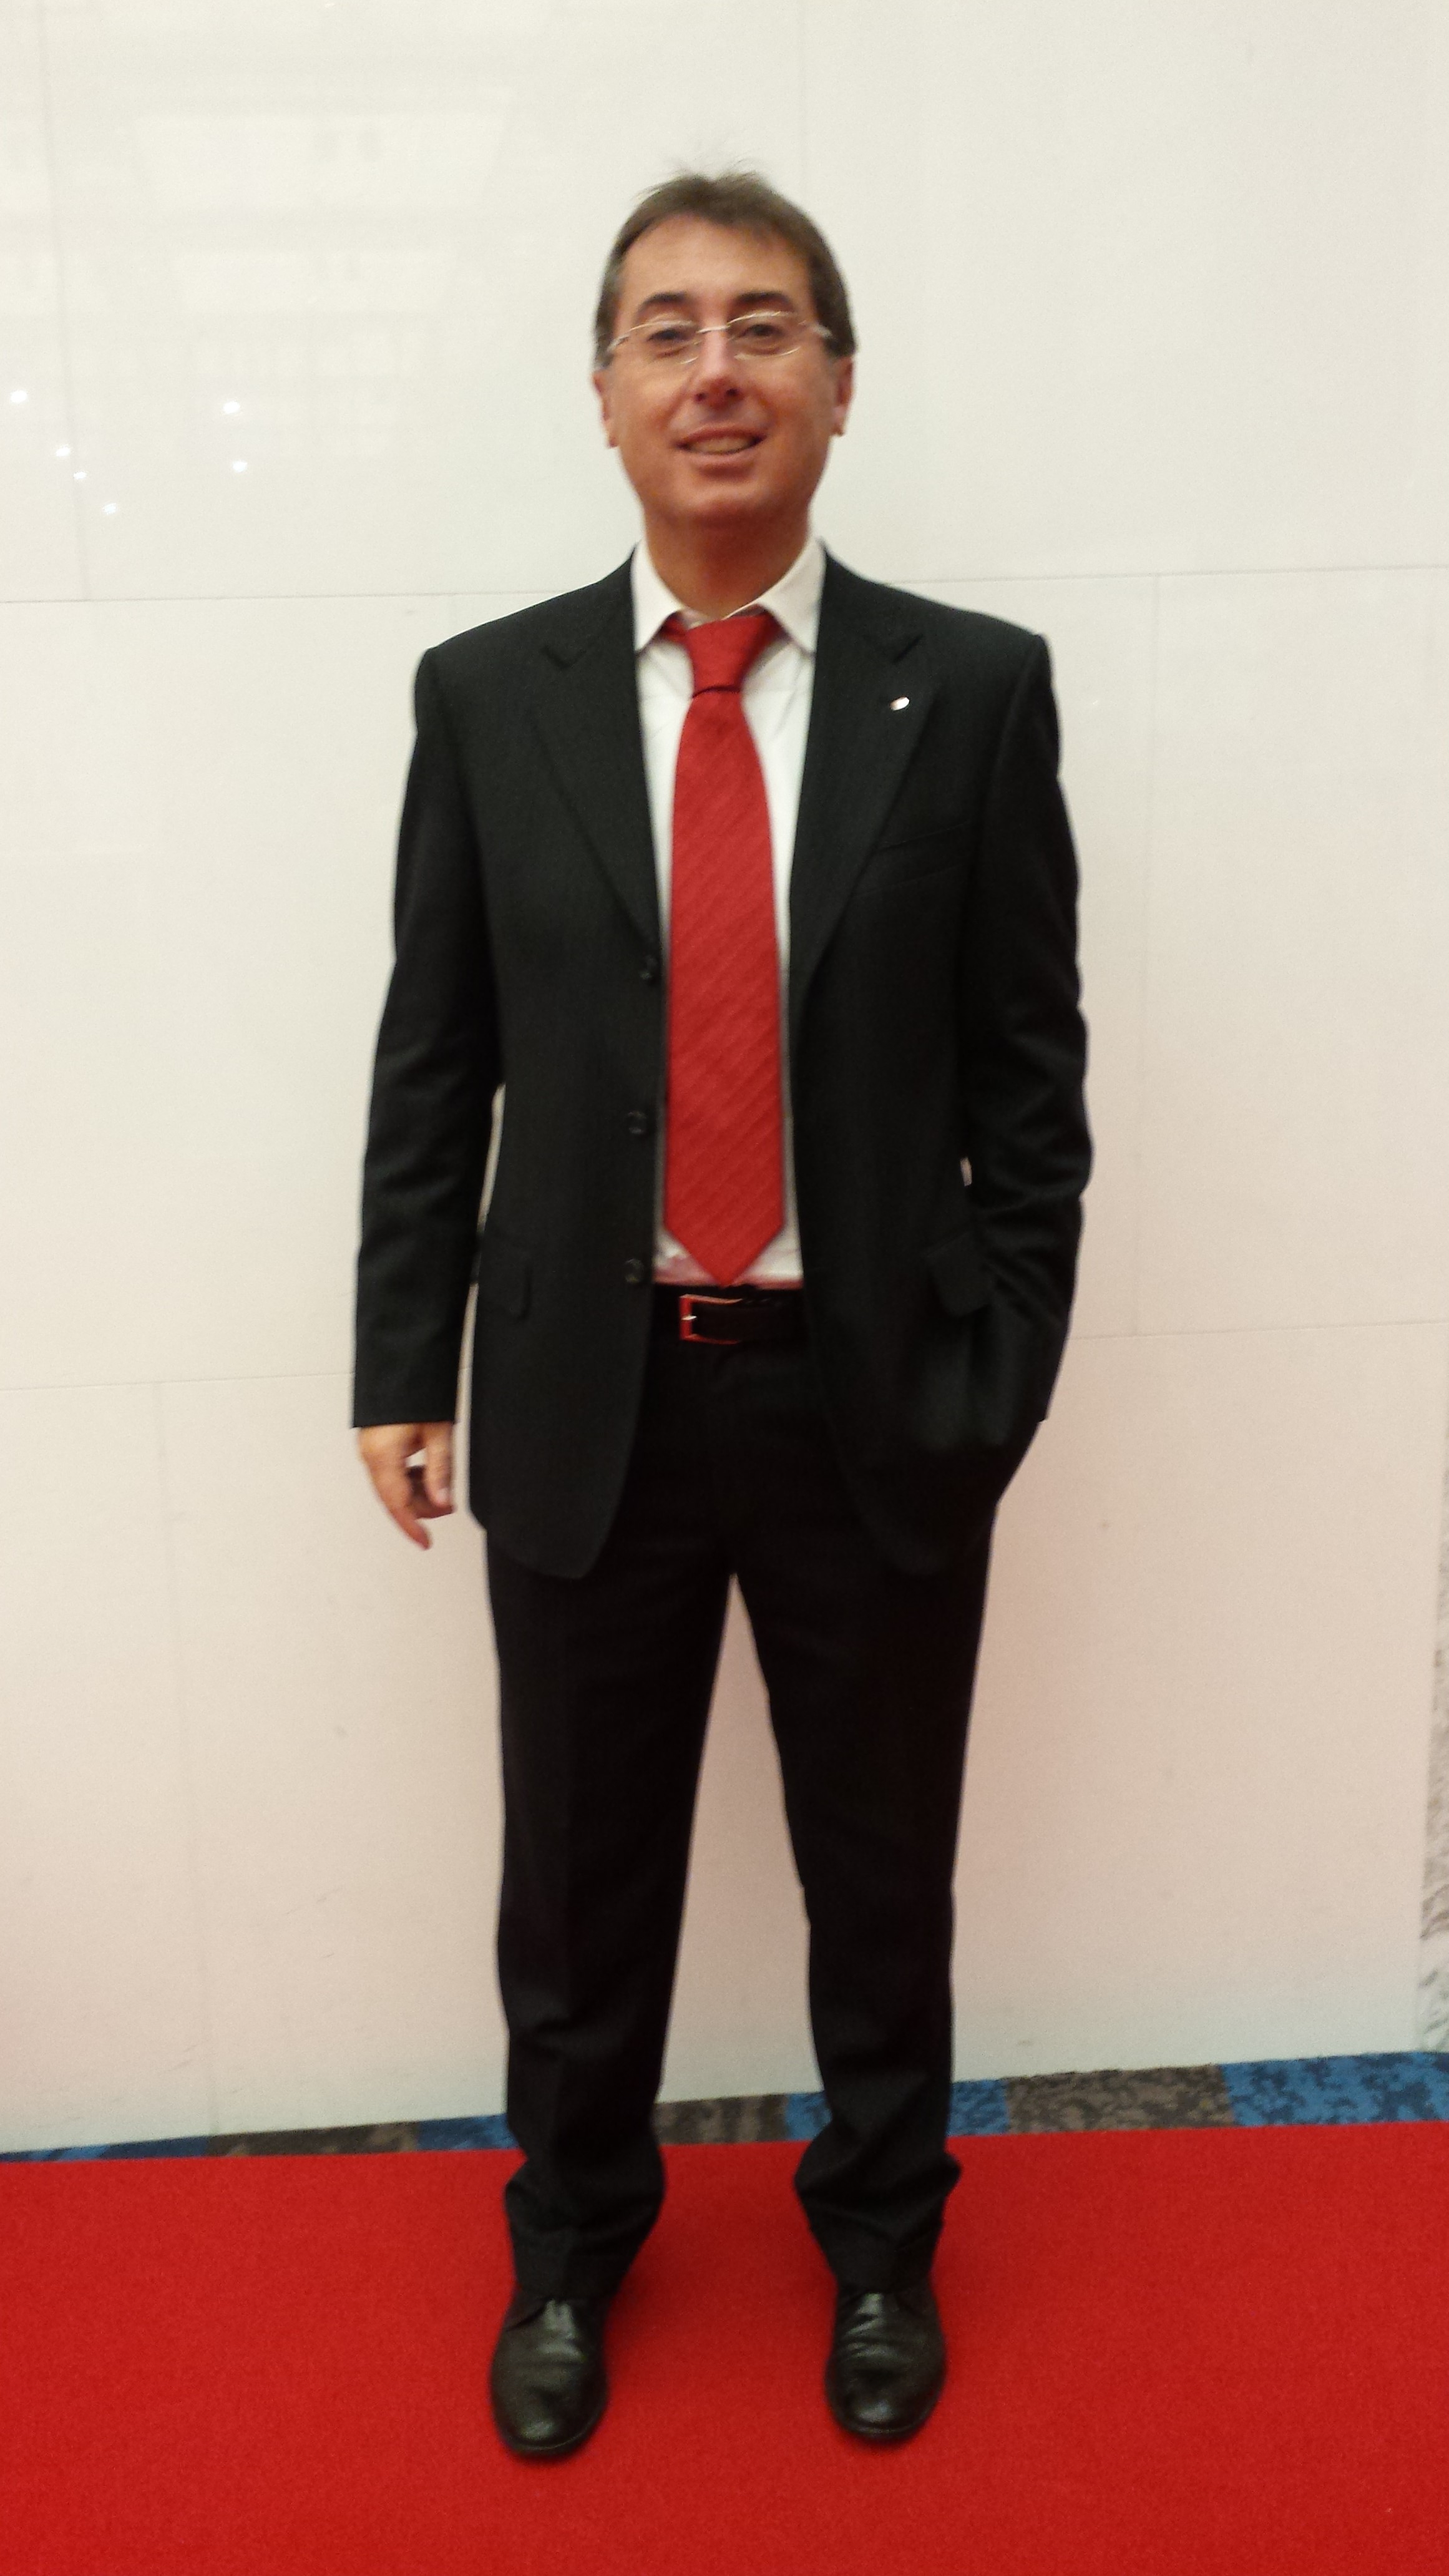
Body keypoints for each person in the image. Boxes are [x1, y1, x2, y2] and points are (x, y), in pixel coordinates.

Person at [353, 169, 1090, 2458]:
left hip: (872, 1396)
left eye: (763, 326)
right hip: (589, 1398)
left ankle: (879, 2248)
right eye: (663, 331)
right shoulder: (490, 697)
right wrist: (399, 1362)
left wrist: (995, 1359)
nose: (715, 372)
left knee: (880, 1872)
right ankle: (570, 2252)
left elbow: (1029, 1078)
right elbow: (435, 1055)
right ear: (600, 394)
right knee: (577, 1892)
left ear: (839, 386)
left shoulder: (970, 691)